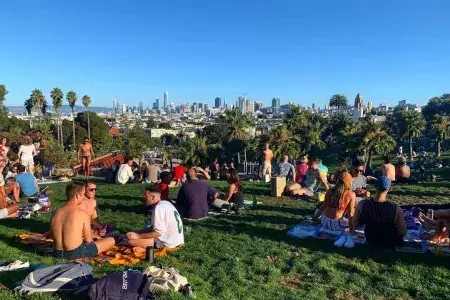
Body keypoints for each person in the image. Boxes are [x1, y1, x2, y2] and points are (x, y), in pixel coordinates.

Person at [51, 182, 116, 259]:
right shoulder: (82, 214)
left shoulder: (56, 212)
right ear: (77, 195)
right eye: (83, 194)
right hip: (75, 253)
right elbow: (88, 240)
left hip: (57, 252)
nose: (83, 197)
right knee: (111, 240)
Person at [353, 176, 407, 248]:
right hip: (390, 241)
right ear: (390, 189)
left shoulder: (362, 204)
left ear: (375, 186)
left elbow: (355, 223)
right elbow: (403, 232)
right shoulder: (396, 209)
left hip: (371, 239)